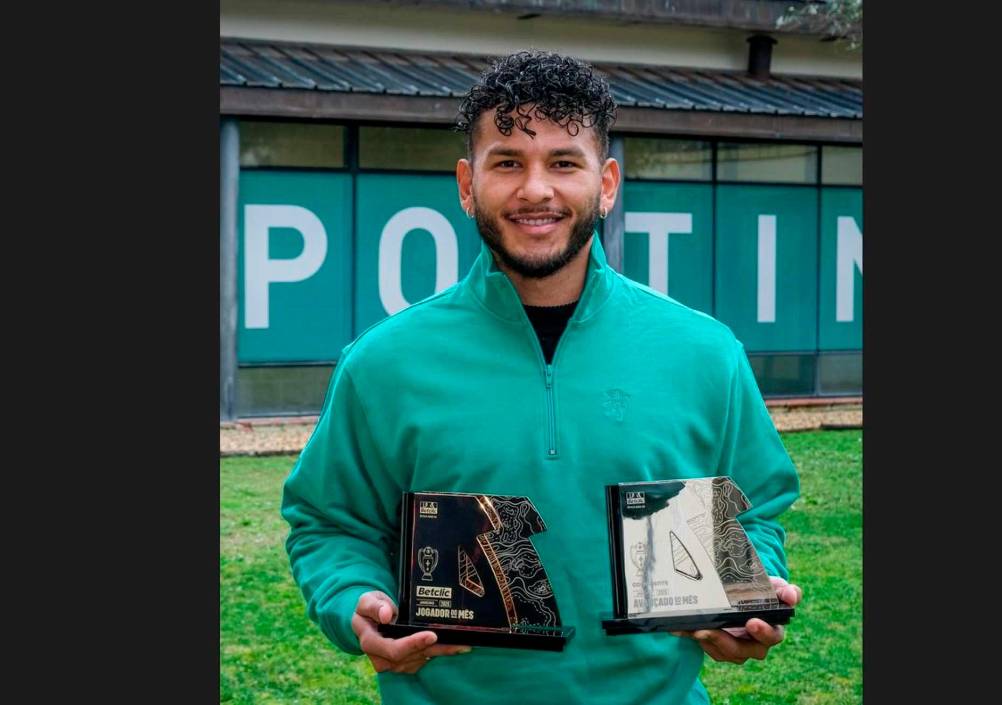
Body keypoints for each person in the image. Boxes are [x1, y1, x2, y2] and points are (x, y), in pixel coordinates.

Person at [282, 50, 802, 704]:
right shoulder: (384, 362)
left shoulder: (704, 352)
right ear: (468, 185)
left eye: (563, 162)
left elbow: (754, 515)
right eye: (507, 162)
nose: (535, 189)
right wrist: (352, 598)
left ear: (606, 183)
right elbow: (333, 522)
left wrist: (746, 597)